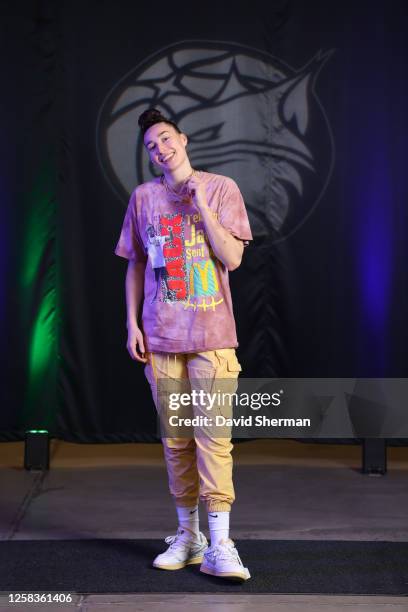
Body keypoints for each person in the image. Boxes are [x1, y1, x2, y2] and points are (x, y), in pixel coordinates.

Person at [114, 108, 253, 582]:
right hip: (160, 338)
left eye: (166, 138)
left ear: (184, 139)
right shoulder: (143, 198)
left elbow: (232, 257)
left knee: (213, 440)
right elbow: (134, 263)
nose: (160, 149)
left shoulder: (220, 188)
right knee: (176, 441)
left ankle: (220, 545)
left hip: (212, 338)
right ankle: (188, 536)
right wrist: (132, 324)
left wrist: (202, 207)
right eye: (151, 145)